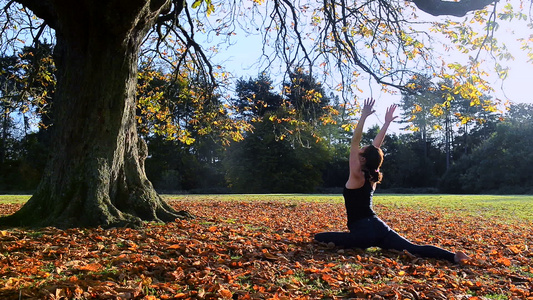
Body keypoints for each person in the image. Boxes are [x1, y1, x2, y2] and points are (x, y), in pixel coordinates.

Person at [314, 98, 470, 264]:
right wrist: (386, 123)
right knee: (412, 248)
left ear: (363, 159)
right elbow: (376, 148)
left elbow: (355, 141)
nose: (359, 149)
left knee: (319, 237)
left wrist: (364, 116)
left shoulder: (356, 174)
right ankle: (453, 256)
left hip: (362, 233)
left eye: (362, 151)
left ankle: (453, 256)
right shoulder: (372, 176)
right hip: (379, 228)